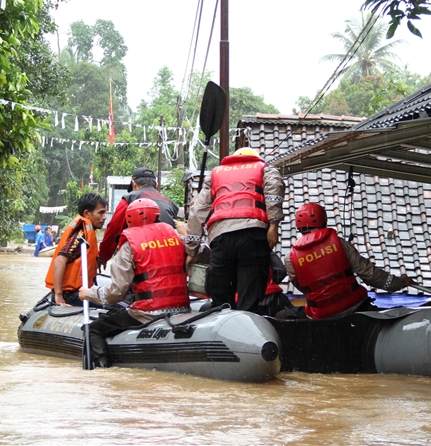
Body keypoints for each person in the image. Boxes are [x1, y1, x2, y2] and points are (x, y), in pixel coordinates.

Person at [80, 198, 190, 368]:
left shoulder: (129, 246)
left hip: (147, 313)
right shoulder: (176, 236)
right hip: (182, 308)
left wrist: (89, 293)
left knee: (94, 329)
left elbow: (116, 293)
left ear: (129, 219)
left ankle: (102, 369)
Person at [184, 147, 284, 314]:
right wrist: (274, 224)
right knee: (249, 296)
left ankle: (223, 322)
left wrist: (191, 250)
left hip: (221, 237)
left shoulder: (216, 174)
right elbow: (274, 191)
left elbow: (197, 211)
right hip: (253, 234)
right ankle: (246, 322)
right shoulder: (265, 169)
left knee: (221, 297)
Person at [280, 202, 413, 320]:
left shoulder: (290, 259)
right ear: (324, 221)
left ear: (299, 227)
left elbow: (303, 287)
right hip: (355, 306)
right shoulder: (339, 244)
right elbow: (370, 274)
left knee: (283, 315)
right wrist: (400, 282)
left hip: (320, 315)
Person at [98, 167, 181, 267]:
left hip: (140, 263)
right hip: (169, 262)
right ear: (156, 185)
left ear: (134, 183)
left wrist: (103, 257)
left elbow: (114, 230)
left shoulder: (129, 200)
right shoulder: (170, 204)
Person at [44, 193, 108, 307]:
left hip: (80, 291)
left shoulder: (88, 233)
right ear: (87, 213)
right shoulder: (79, 236)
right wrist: (58, 295)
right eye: (101, 213)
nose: (104, 217)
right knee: (114, 307)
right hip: (71, 295)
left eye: (105, 213)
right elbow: (59, 261)